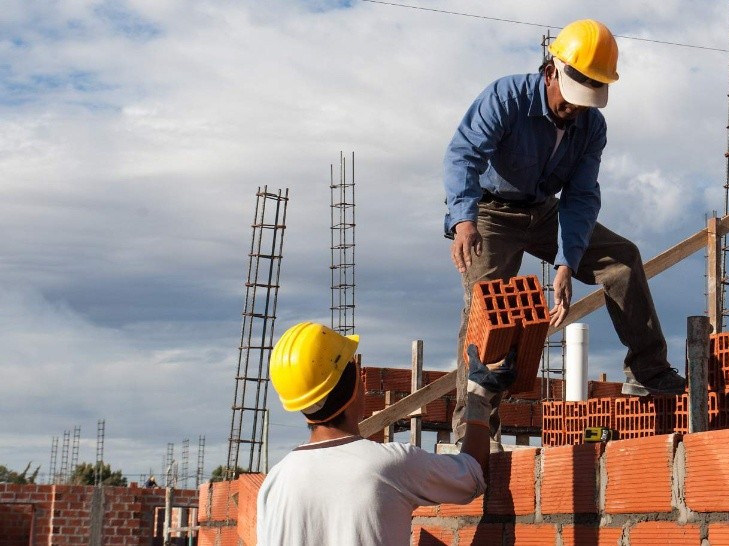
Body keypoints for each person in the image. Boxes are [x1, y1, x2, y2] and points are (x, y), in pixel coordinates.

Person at [443, 19, 687, 444]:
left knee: (622, 260)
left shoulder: (592, 127)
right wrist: (464, 220)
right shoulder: (506, 97)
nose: (575, 107)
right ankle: (475, 430)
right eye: (573, 95)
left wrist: (565, 263)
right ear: (552, 70)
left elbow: (581, 197)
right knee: (489, 310)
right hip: (491, 214)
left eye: (588, 97)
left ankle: (649, 371)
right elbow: (463, 155)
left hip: (544, 211)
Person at [256, 322, 516, 546]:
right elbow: (472, 476)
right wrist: (479, 397)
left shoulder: (274, 483)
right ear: (353, 385)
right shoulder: (387, 466)